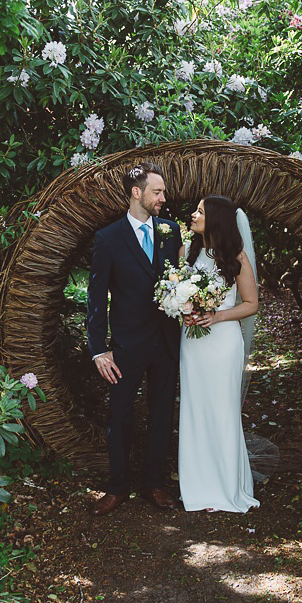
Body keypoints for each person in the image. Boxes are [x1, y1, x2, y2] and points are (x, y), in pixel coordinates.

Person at [86, 162, 182, 516]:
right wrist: (99, 350)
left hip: (167, 342)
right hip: (126, 345)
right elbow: (95, 297)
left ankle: (155, 483)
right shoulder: (108, 239)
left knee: (161, 414)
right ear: (136, 193)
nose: (163, 197)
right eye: (157, 192)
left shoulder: (171, 231)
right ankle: (117, 486)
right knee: (120, 415)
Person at [178, 195, 260, 513]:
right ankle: (198, 485)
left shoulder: (235, 256)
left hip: (223, 342)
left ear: (216, 219)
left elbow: (251, 304)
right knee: (195, 409)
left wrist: (217, 315)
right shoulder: (188, 252)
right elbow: (177, 291)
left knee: (222, 410)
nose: (194, 214)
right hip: (193, 343)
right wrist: (184, 310)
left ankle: (225, 486)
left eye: (200, 211)